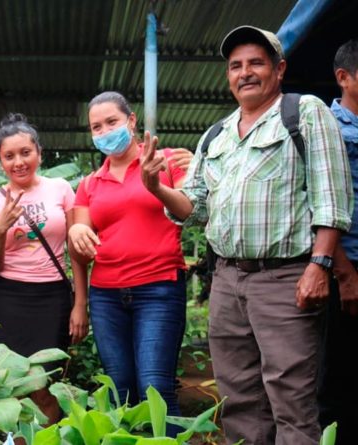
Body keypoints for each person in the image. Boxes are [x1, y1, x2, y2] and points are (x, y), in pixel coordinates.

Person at [141, 26, 352, 444]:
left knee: (291, 398)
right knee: (238, 398)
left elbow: (332, 196)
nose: (245, 73)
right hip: (228, 281)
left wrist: (320, 265)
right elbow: (195, 206)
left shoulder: (304, 112)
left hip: (285, 278)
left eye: (256, 62)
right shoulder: (216, 135)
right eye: (236, 66)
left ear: (279, 69)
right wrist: (156, 188)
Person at [68, 92, 190, 421]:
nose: (105, 131)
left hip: (159, 289)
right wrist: (76, 232)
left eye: (112, 122)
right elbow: (80, 238)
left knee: (155, 386)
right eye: (97, 127)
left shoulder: (164, 161)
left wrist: (156, 186)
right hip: (106, 295)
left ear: (131, 121)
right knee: (119, 389)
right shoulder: (89, 184)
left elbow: (189, 209)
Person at [0, 113, 88, 424]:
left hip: (52, 297)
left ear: (39, 152)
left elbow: (77, 252)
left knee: (45, 385)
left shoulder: (61, 189)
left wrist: (80, 304)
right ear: (0, 161)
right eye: (9, 156)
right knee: (10, 386)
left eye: (25, 152)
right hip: (7, 298)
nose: (18, 162)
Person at [318, 39, 358, 444]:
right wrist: (344, 272)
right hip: (343, 265)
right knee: (337, 373)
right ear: (343, 78)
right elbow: (323, 204)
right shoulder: (327, 129)